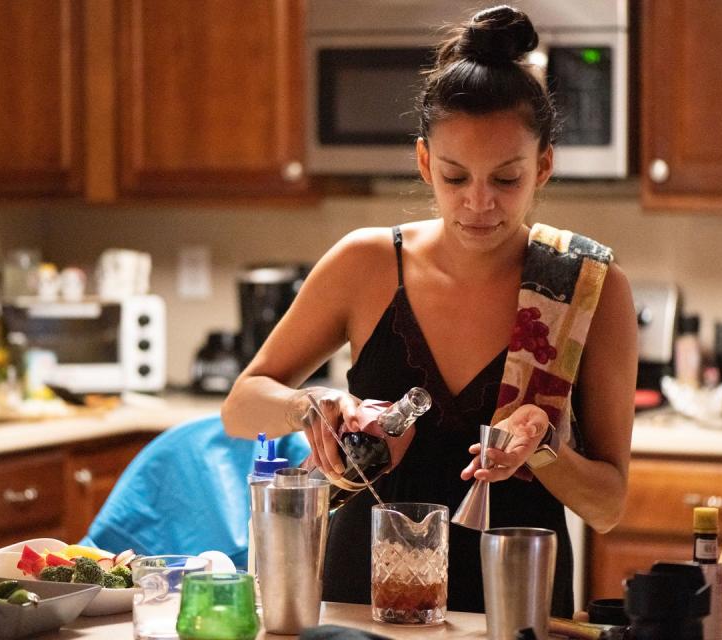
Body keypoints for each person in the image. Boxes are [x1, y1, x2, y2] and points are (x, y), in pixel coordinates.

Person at [222, 5, 636, 616]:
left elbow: (607, 504)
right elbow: (239, 406)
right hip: (361, 597)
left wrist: (542, 450)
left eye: (506, 178)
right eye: (454, 176)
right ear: (424, 164)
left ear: (543, 166)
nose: (479, 203)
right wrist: (310, 407)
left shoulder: (587, 288)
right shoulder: (365, 264)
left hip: (515, 601)